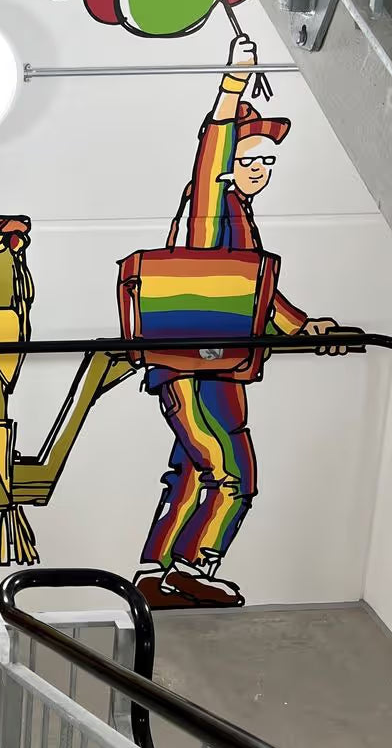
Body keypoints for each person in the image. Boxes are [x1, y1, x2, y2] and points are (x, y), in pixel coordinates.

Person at [134, 36, 344, 610]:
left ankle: (157, 572)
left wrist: (301, 327)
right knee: (232, 475)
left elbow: (255, 292)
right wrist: (234, 80)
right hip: (193, 365)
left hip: (225, 365)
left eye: (266, 162)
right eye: (247, 160)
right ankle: (191, 569)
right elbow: (212, 145)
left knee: (190, 471)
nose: (259, 171)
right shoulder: (209, 206)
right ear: (227, 165)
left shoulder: (240, 221)